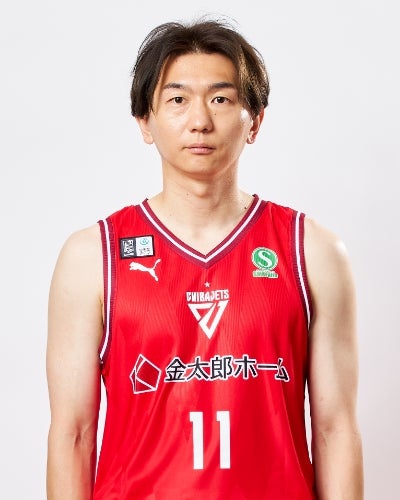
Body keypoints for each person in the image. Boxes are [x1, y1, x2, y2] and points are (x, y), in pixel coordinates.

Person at [46, 17, 364, 499]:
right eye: (177, 100)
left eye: (221, 99)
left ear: (255, 121)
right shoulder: (93, 256)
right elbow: (73, 434)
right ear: (145, 121)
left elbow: (335, 428)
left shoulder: (310, 250)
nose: (200, 121)